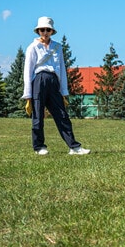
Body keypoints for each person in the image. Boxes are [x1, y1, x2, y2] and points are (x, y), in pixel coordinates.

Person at [22, 16, 90, 156]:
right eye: (42, 30)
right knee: (38, 116)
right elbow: (28, 70)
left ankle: (74, 147)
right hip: (38, 81)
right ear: (38, 31)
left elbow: (62, 69)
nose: (45, 32)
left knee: (62, 115)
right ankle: (39, 147)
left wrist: (64, 90)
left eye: (47, 29)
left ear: (52, 31)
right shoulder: (32, 47)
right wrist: (28, 94)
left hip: (54, 81)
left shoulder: (58, 47)